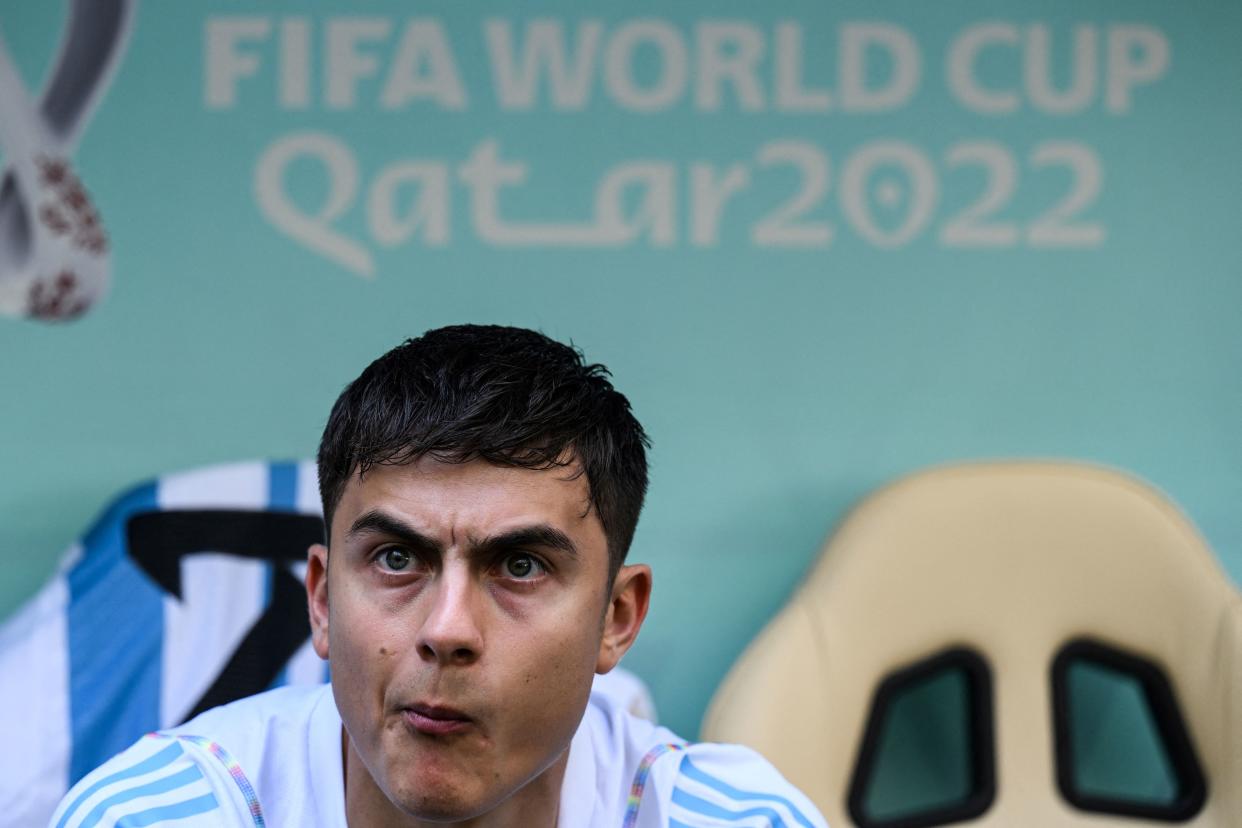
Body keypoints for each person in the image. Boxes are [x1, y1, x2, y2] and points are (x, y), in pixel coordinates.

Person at [50, 325, 828, 827]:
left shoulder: (731, 820)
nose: (447, 630)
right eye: (397, 559)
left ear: (617, 618)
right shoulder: (159, 815)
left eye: (520, 566)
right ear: (321, 598)